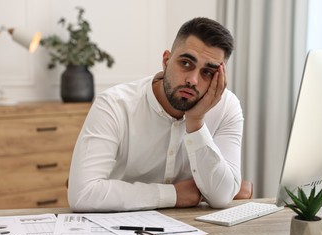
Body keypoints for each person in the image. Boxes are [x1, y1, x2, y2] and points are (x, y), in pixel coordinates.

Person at [68, 17, 244, 212]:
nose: (193, 80)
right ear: (166, 60)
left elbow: (222, 197)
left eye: (208, 72)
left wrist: (196, 122)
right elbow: (83, 194)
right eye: (186, 63)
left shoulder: (227, 107)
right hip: (116, 230)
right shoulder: (114, 105)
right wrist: (173, 195)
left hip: (195, 232)